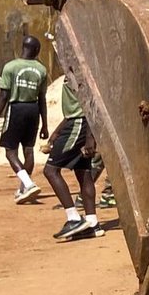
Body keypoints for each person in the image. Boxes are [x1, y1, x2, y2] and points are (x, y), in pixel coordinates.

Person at [0, 34, 50, 203]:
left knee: (10, 152)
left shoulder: (10, 67)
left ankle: (28, 184)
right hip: (33, 109)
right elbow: (42, 98)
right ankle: (23, 189)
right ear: (37, 50)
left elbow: (3, 95)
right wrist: (45, 124)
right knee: (28, 149)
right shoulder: (42, 69)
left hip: (16, 108)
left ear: (22, 47)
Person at [42, 74, 101, 241]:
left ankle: (73, 217)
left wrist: (91, 138)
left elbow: (91, 104)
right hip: (74, 122)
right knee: (83, 172)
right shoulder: (71, 69)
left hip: (79, 124)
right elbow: (73, 109)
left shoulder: (79, 70)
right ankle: (92, 223)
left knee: (50, 170)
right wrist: (56, 133)